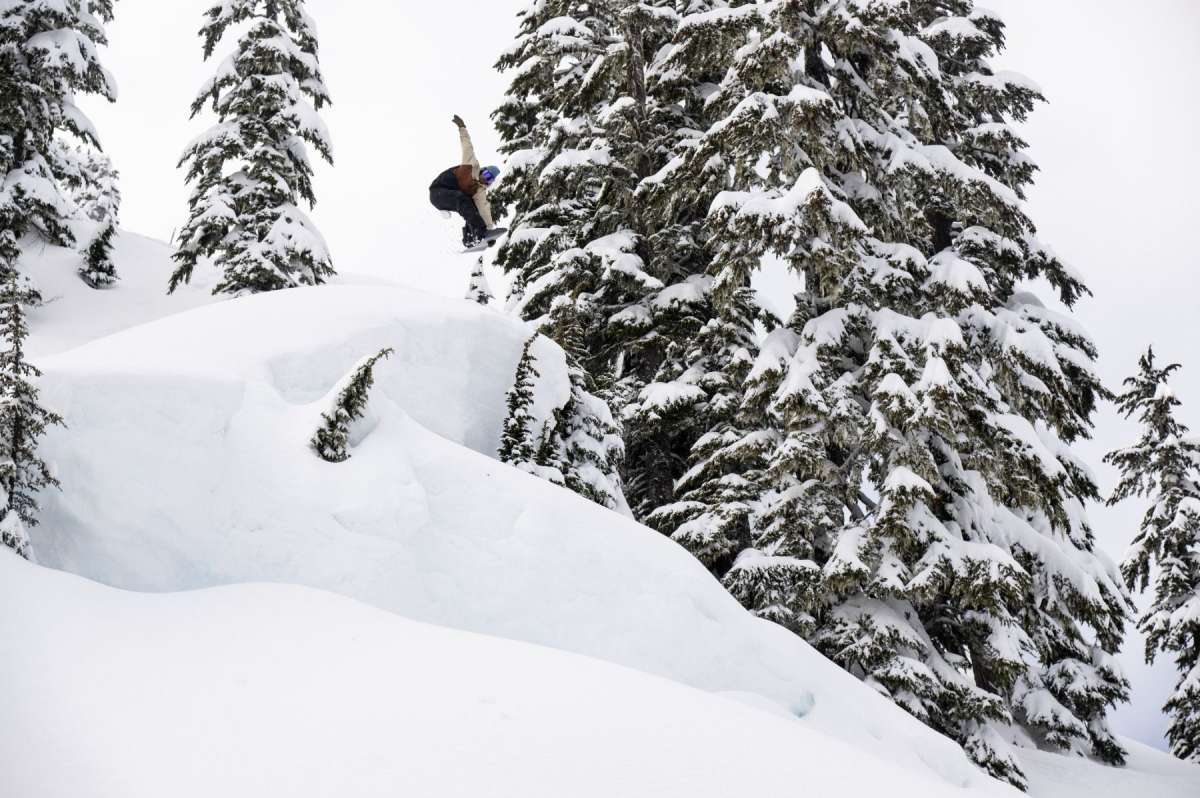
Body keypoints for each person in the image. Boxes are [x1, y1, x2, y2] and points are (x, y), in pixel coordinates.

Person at [429, 115, 501, 247]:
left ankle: (470, 239)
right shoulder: (471, 164)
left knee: (472, 209)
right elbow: (467, 145)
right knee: (462, 199)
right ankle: (480, 233)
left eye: (489, 179)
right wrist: (462, 128)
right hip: (437, 191)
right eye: (486, 174)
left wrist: (491, 233)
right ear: (482, 170)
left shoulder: (480, 191)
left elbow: (484, 209)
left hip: (451, 198)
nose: (485, 179)